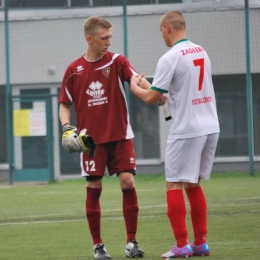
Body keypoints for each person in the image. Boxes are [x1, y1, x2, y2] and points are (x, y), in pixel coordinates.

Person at [130, 10, 220, 259]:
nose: (161, 36)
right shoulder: (200, 51)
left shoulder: (170, 57)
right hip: (210, 125)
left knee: (173, 184)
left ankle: (182, 245)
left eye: (161, 31)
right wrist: (152, 86)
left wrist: (136, 87)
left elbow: (152, 98)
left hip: (187, 129)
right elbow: (173, 93)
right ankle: (200, 242)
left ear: (168, 27)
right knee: (193, 184)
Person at [58, 16, 148, 259]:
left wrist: (155, 93)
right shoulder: (73, 70)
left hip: (120, 135)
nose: (109, 42)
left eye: (110, 37)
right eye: (104, 38)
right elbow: (64, 105)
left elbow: (137, 81)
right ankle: (98, 245)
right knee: (93, 188)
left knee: (128, 182)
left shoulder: (118, 61)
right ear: (90, 39)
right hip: (92, 142)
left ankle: (132, 242)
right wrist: (67, 128)